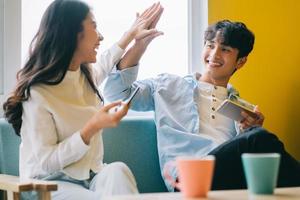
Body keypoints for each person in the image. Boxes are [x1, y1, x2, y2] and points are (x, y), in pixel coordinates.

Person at [103, 19, 300, 191]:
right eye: (210, 45)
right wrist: (140, 45)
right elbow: (116, 94)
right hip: (188, 178)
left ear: (240, 62)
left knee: (259, 142)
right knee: (259, 139)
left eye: (225, 49)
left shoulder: (238, 106)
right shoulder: (167, 86)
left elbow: (240, 152)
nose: (214, 54)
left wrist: (248, 131)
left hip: (231, 177)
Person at [2, 0, 163, 199]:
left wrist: (132, 34)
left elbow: (107, 60)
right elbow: (46, 162)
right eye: (94, 27)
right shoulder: (38, 92)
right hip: (47, 184)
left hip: (90, 178)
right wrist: (91, 128)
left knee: (117, 171)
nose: (101, 36)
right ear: (72, 35)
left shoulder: (84, 75)